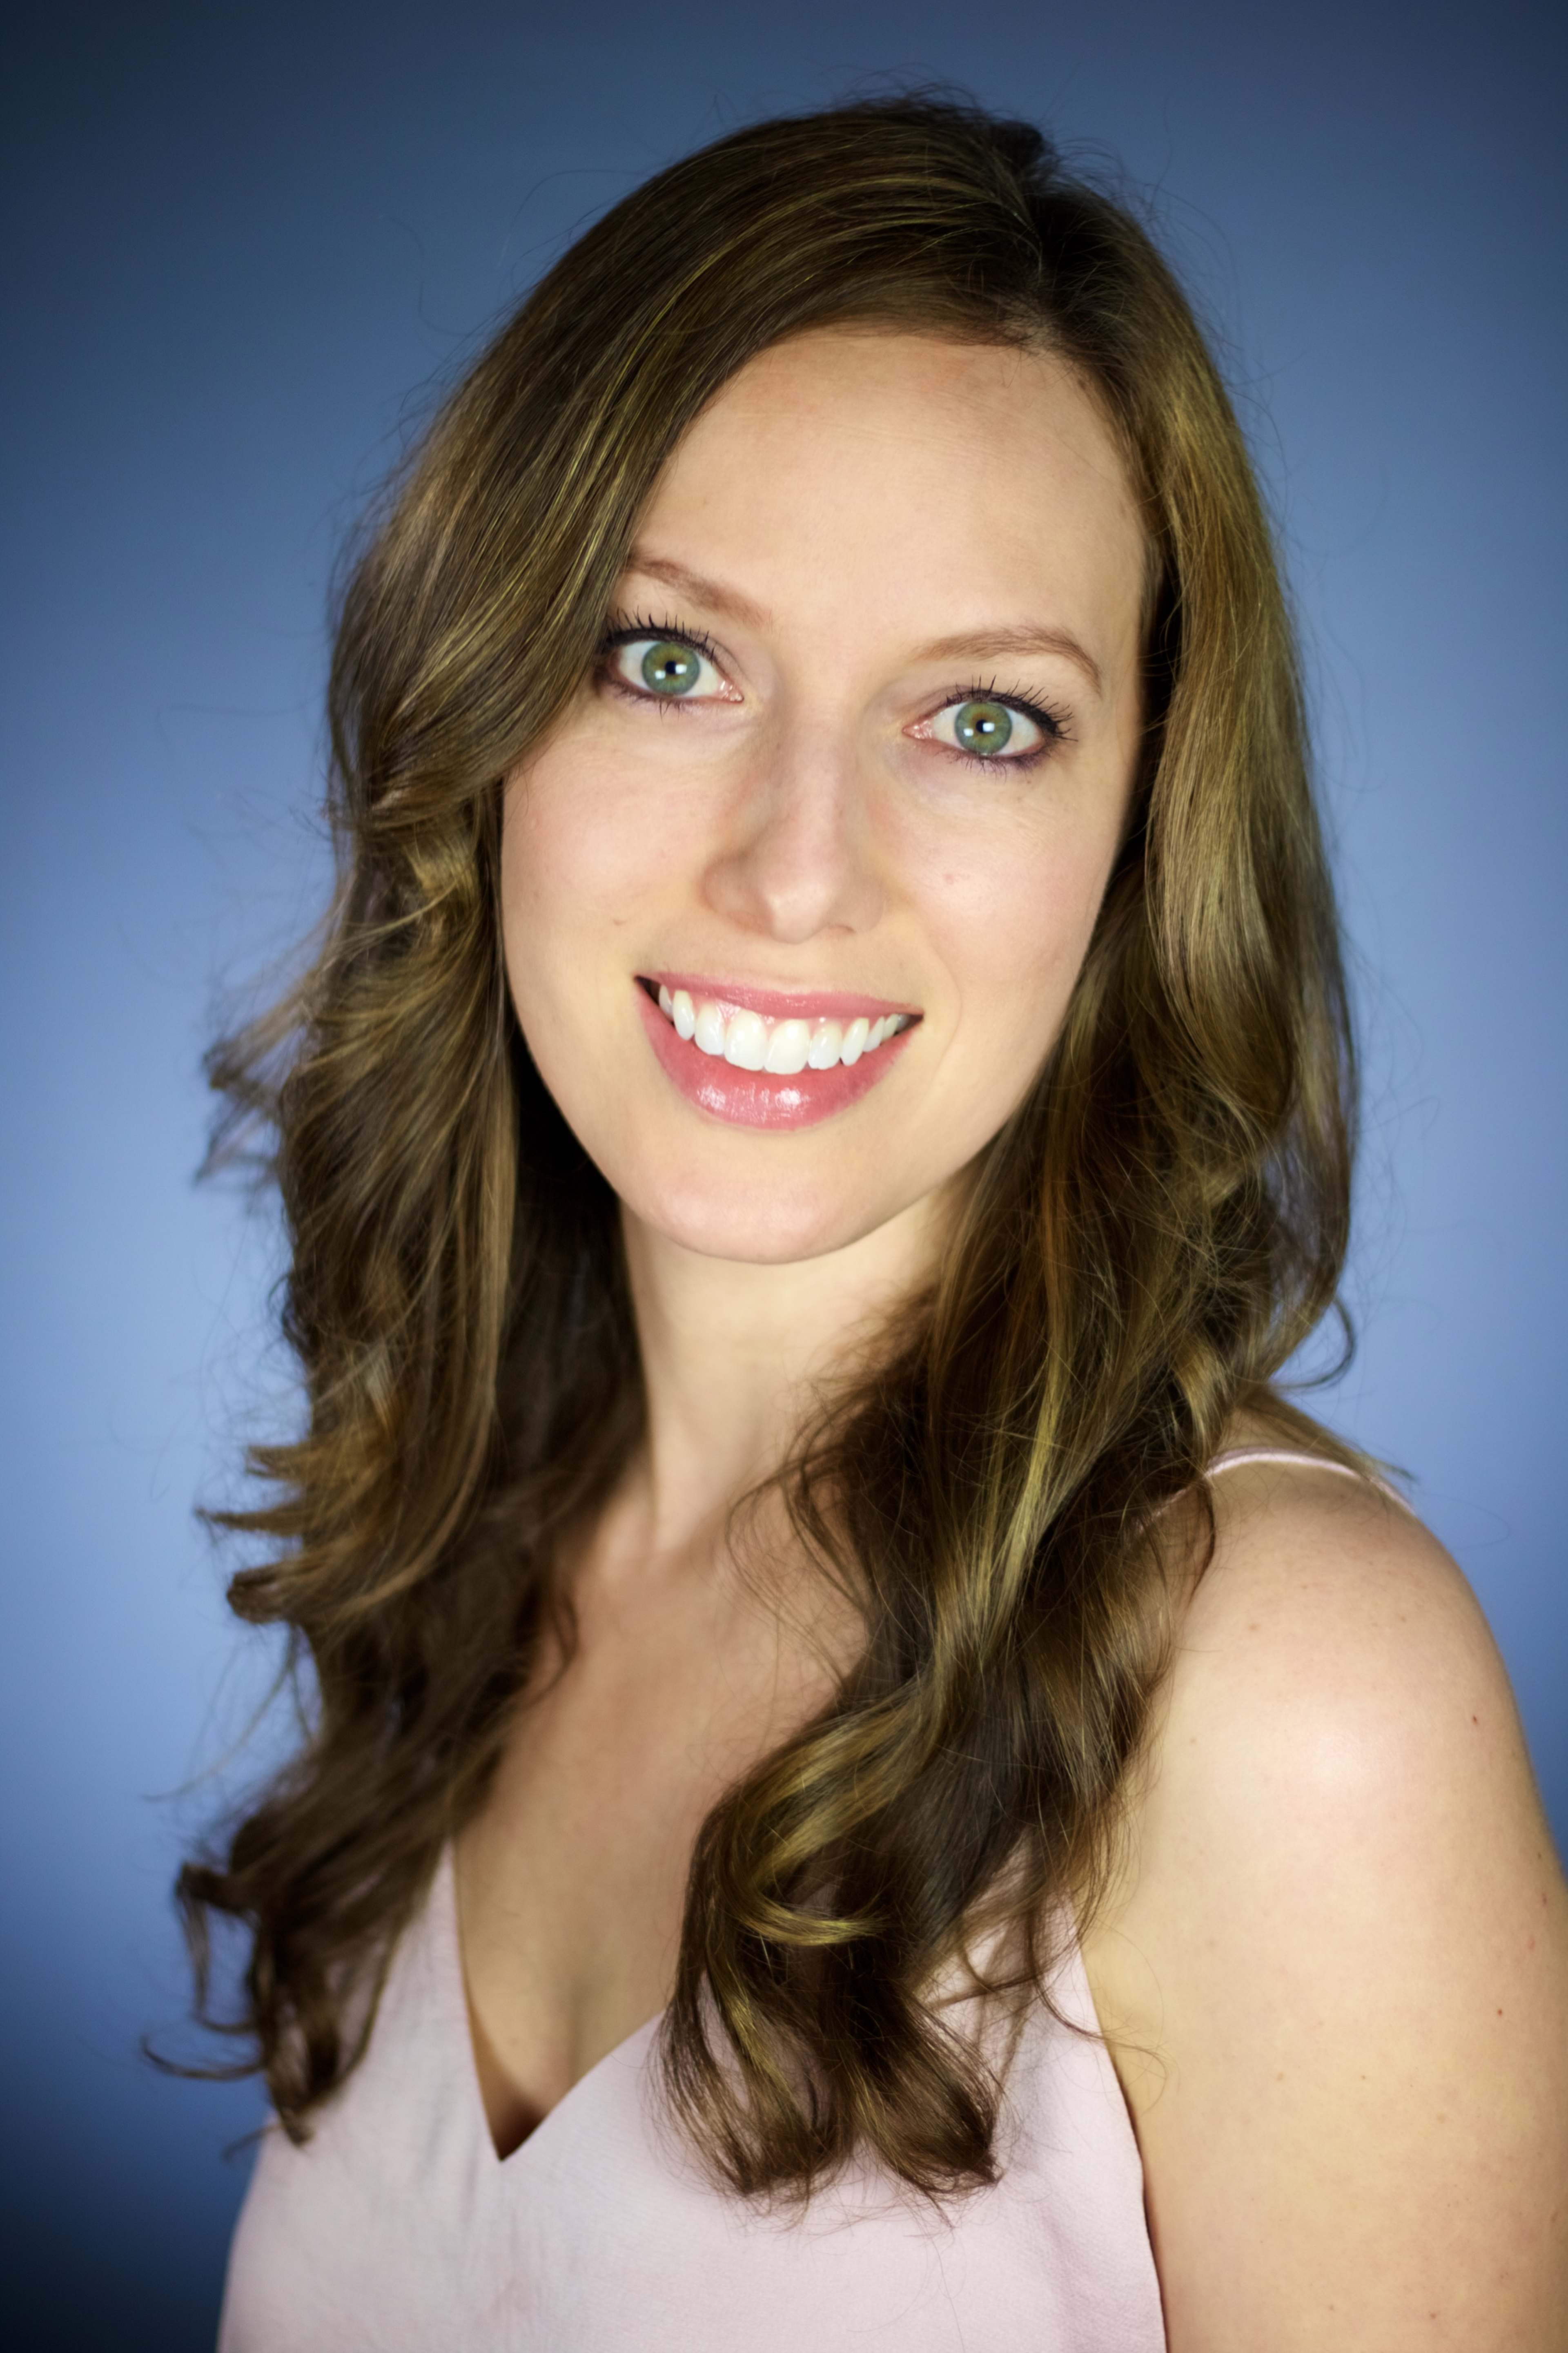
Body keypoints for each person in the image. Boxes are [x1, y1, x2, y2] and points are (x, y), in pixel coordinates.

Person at [186, 96, 1568, 2349]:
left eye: (985, 717)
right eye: (668, 659)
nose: (796, 868)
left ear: (1139, 837)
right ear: (483, 714)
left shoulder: (1294, 1695)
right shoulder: (469, 1549)